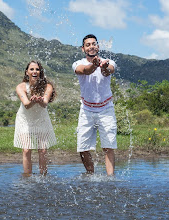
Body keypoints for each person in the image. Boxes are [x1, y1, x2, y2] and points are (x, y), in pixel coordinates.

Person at [72, 34, 117, 175]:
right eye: (88, 44)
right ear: (83, 49)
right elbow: (85, 70)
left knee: (108, 146)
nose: (91, 46)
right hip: (86, 109)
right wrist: (94, 65)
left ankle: (110, 178)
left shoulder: (109, 62)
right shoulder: (78, 63)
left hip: (106, 108)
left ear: (98, 46)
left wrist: (103, 67)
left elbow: (107, 71)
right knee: (82, 147)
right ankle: (90, 174)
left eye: (94, 44)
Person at [14, 60, 57, 176]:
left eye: (37, 69)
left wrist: (40, 100)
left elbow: (45, 103)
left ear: (40, 72)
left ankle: (43, 177)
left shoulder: (47, 86)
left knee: (42, 150)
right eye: (31, 69)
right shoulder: (20, 87)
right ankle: (27, 177)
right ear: (26, 72)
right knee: (26, 149)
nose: (34, 71)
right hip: (25, 120)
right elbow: (27, 105)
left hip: (41, 118)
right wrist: (33, 102)